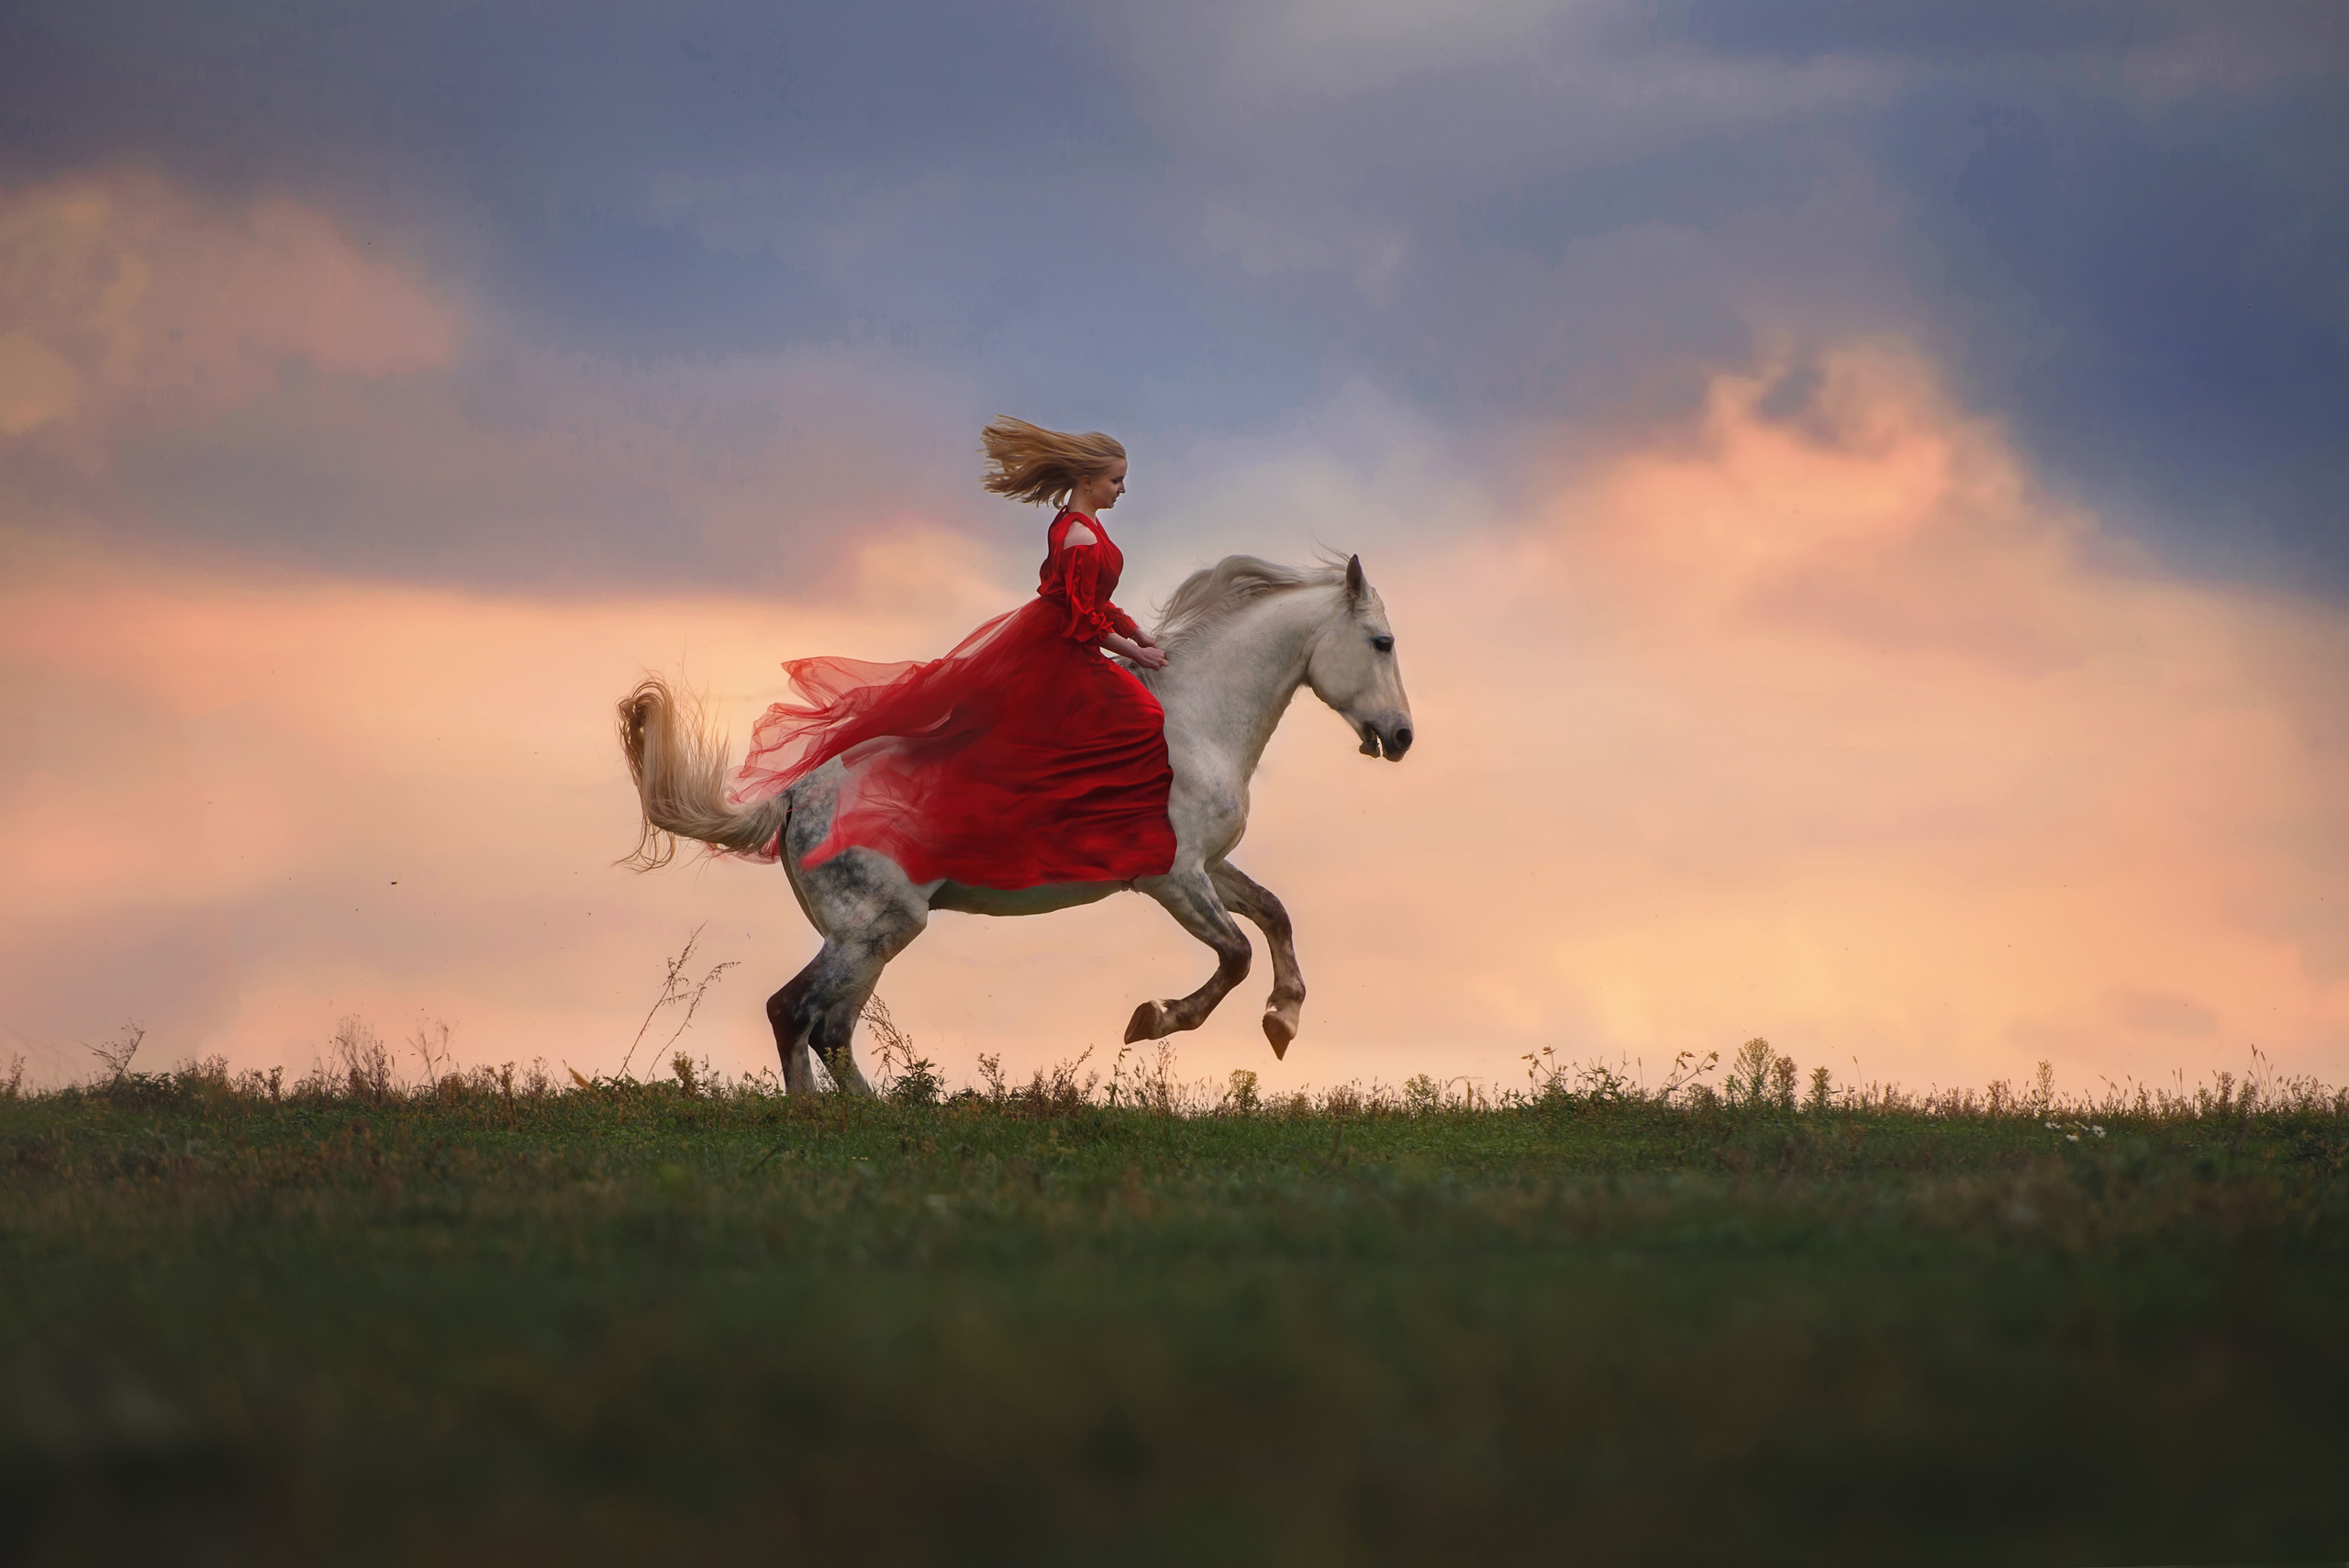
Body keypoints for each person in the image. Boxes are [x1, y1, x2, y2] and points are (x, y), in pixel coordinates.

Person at [727, 417, 1178, 888]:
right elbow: (1083, 621)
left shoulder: (1077, 524)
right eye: (1116, 479)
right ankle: (1110, 833)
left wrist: (1138, 631)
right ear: (1086, 480)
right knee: (1143, 716)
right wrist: (1136, 653)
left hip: (1057, 638)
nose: (1123, 489)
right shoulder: (1081, 538)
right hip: (1061, 650)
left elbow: (1091, 601)